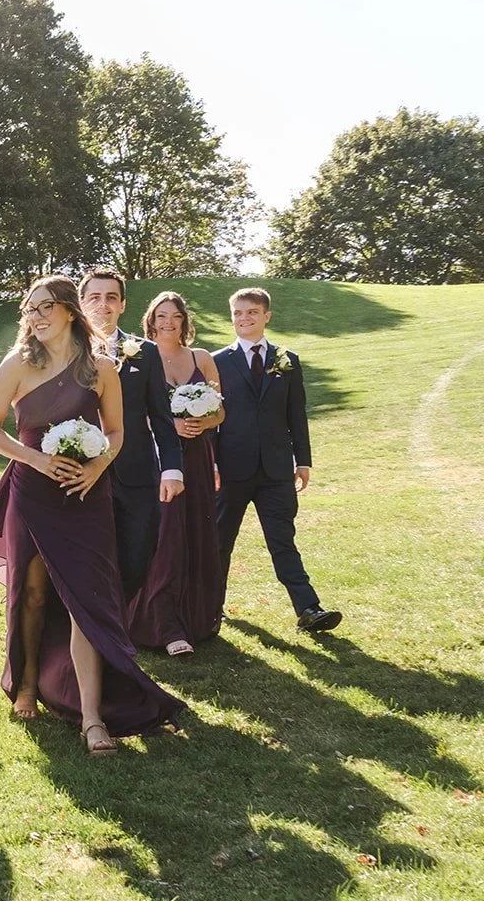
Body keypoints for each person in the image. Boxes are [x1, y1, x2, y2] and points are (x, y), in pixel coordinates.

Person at [0, 276, 186, 754]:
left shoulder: (101, 369)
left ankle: (93, 717)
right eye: (30, 310)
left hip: (85, 496)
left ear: (70, 311)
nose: (37, 316)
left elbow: (115, 433)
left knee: (85, 602)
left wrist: (96, 469)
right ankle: (28, 681)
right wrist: (35, 460)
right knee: (31, 593)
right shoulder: (16, 365)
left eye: (46, 307)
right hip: (31, 489)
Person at [212, 287, 342, 632]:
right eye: (238, 313)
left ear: (266, 316)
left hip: (276, 469)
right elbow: (209, 415)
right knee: (218, 542)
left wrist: (304, 460)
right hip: (230, 469)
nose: (244, 318)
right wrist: (210, 462)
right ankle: (210, 608)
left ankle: (309, 609)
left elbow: (296, 414)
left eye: (252, 312)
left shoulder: (287, 360)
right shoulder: (216, 361)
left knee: (283, 540)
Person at [125, 292, 225, 655]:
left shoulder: (202, 358)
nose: (168, 322)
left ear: (184, 321)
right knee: (164, 537)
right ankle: (162, 624)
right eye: (161, 316)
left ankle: (195, 617)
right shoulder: (138, 356)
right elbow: (132, 413)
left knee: (195, 532)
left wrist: (201, 419)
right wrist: (168, 426)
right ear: (150, 320)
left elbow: (221, 413)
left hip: (197, 458)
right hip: (158, 460)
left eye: (175, 317)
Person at [79, 266, 184, 599]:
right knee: (86, 560)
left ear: (123, 304)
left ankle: (114, 624)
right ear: (80, 303)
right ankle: (97, 642)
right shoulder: (63, 353)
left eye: (111, 297)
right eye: (94, 297)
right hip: (81, 473)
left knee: (137, 559)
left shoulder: (146, 352)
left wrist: (172, 469)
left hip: (137, 472)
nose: (103, 304)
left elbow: (161, 417)